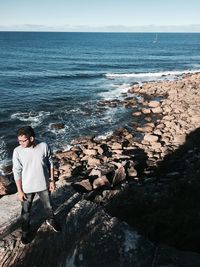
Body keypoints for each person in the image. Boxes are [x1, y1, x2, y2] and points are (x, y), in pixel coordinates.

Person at [12, 126, 61, 244]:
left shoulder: (43, 146)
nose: (20, 143)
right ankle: (25, 231)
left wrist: (52, 181)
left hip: (43, 185)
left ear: (32, 138)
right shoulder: (17, 151)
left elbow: (51, 163)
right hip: (27, 188)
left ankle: (51, 220)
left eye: (23, 140)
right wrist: (19, 190)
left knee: (49, 207)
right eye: (19, 141)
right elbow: (16, 171)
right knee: (25, 212)